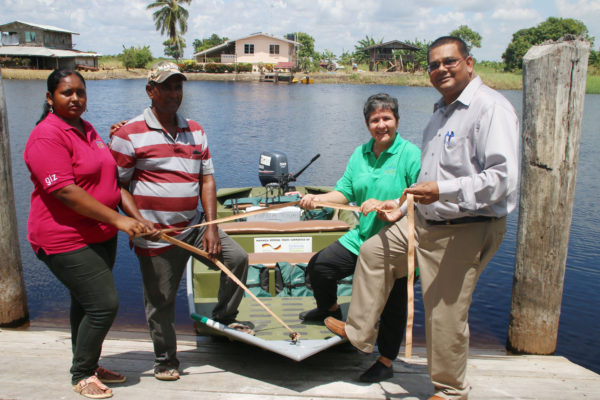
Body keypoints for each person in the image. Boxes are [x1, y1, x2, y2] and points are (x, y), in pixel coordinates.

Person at [324, 36, 519, 400]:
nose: (440, 69)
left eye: (449, 62)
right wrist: (398, 208)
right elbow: (422, 183)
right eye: (433, 65)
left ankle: (449, 390)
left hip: (465, 226)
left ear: (470, 63)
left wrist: (442, 191)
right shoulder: (441, 112)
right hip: (422, 221)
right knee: (374, 252)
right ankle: (359, 333)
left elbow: (502, 181)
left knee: (444, 314)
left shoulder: (490, 108)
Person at [109, 61, 250, 381]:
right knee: (160, 301)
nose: (174, 93)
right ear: (150, 91)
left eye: (178, 86)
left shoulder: (196, 130)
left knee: (238, 259)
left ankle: (223, 317)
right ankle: (165, 359)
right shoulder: (128, 134)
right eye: (167, 87)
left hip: (194, 226)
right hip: (156, 235)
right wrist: (140, 222)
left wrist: (211, 226)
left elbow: (207, 180)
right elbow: (117, 186)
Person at [24, 69, 151, 399]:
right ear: (50, 98)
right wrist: (120, 221)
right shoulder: (46, 135)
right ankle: (82, 374)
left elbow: (104, 174)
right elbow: (65, 191)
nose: (76, 98)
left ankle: (89, 363)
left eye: (80, 92)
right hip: (64, 238)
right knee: (103, 304)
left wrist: (113, 140)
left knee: (86, 302)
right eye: (67, 93)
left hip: (98, 235)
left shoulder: (86, 129)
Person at [298, 93, 421, 382]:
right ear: (367, 124)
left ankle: (385, 360)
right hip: (362, 237)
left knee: (393, 301)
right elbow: (344, 193)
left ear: (397, 120)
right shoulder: (360, 154)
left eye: (386, 118)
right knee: (320, 267)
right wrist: (316, 199)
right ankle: (330, 309)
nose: (381, 125)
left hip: (396, 242)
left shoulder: (411, 154)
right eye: (374, 120)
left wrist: (386, 203)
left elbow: (418, 197)